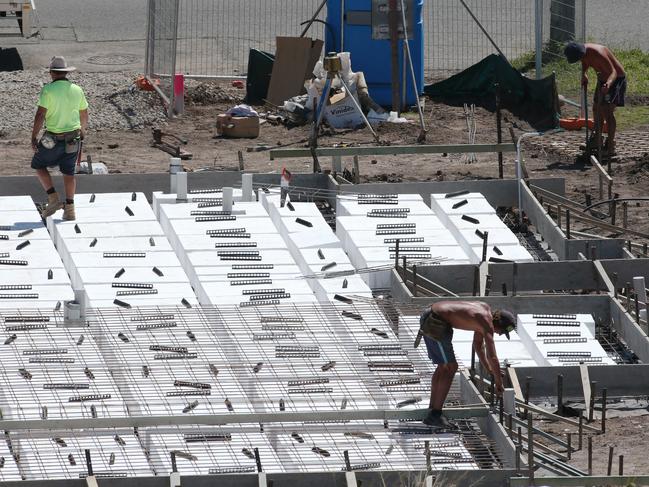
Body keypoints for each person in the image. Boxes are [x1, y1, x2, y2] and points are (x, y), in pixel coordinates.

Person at [418, 301, 516, 429]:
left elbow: (478, 346)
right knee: (450, 367)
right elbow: (492, 356)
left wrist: (490, 370)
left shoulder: (484, 312)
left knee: (444, 366)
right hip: (436, 321)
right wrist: (498, 383)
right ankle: (435, 414)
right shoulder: (487, 324)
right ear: (499, 324)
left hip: (432, 316)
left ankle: (432, 410)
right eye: (501, 332)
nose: (499, 334)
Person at [31, 56, 89, 221]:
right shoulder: (77, 90)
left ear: (51, 73)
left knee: (38, 165)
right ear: (65, 73)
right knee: (69, 173)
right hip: (73, 138)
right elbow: (84, 114)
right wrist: (83, 131)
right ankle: (70, 210)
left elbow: (41, 114)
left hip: (53, 138)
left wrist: (34, 136)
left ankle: (53, 198)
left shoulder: (48, 90)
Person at [564, 42, 626, 156]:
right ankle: (597, 139)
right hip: (603, 79)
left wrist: (608, 84)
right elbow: (585, 61)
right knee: (596, 108)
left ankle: (610, 146)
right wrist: (584, 74)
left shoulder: (598, 53)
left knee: (607, 111)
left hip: (616, 80)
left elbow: (614, 72)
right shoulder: (583, 52)